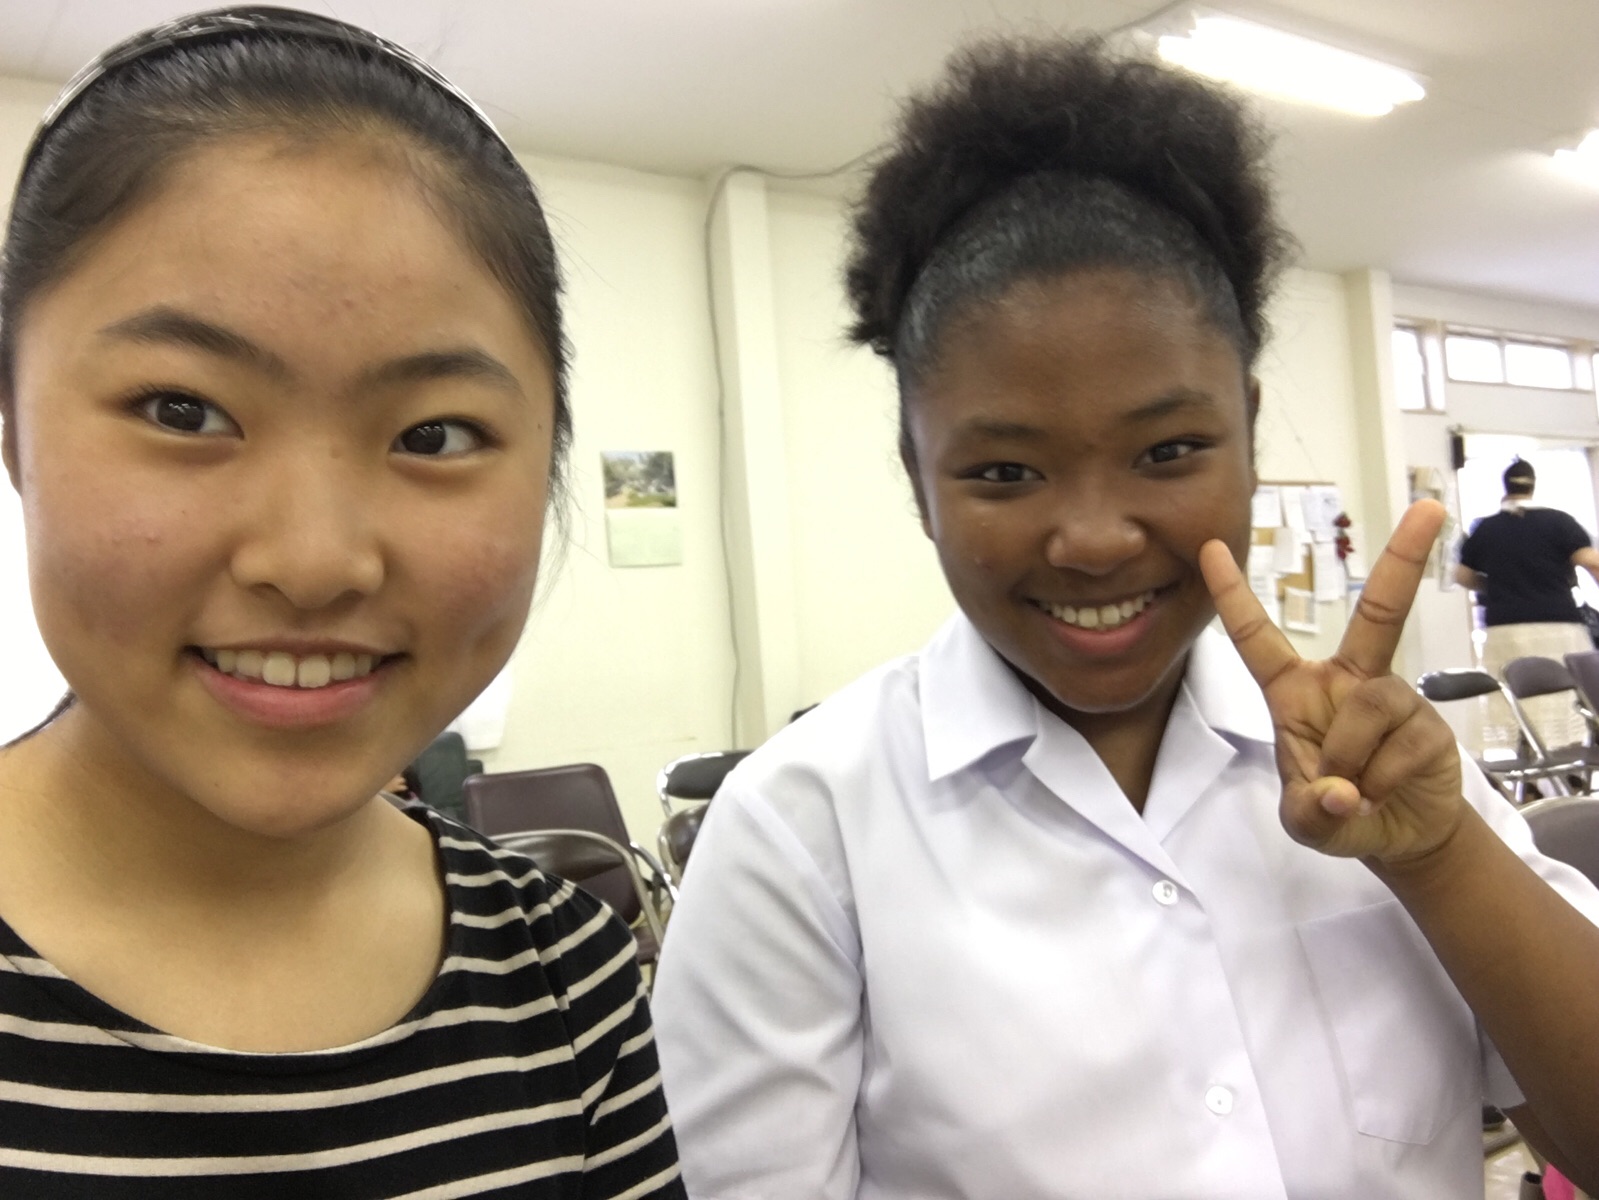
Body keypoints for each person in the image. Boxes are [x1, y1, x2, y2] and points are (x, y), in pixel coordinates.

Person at [651, 35, 1599, 1198]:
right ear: (916, 475)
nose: (1095, 538)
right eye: (1004, 472)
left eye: (1168, 451)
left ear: (1249, 432)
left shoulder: (1391, 767)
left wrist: (1442, 859)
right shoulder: (803, 832)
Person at [0, 9, 683, 1197]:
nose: (314, 563)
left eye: (434, 434)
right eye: (182, 410)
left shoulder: (569, 979)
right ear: (12, 427)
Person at [1456, 457, 1599, 752]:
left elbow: (1462, 576)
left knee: (1513, 700)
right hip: (1557, 625)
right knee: (1561, 701)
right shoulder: (1560, 522)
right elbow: (1591, 561)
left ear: (1505, 486)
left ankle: (1526, 759)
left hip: (1503, 629)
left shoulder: (1486, 528)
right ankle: (1567, 766)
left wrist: (1494, 587)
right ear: (1533, 485)